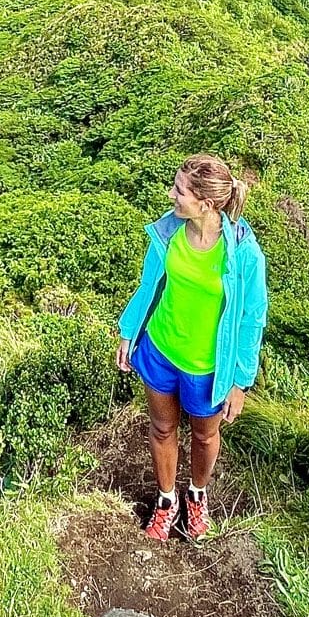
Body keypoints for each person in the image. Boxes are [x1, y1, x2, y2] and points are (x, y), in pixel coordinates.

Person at [115, 153, 269, 541]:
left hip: (208, 367)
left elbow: (253, 316)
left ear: (206, 203)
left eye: (180, 191)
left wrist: (240, 381)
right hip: (160, 350)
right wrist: (129, 331)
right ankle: (167, 501)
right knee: (161, 428)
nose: (171, 195)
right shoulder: (168, 234)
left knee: (204, 435)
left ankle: (197, 495)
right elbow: (148, 285)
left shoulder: (242, 252)